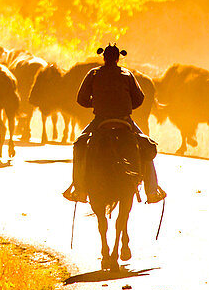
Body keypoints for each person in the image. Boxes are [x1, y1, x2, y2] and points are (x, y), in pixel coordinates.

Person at [62, 44, 167, 204]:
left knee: (78, 146)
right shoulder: (127, 74)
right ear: (118, 58)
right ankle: (152, 191)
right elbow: (139, 99)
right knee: (146, 146)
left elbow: (81, 99)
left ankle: (79, 191)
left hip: (100, 120)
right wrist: (124, 105)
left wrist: (96, 103)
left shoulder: (94, 73)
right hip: (124, 120)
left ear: (103, 57)